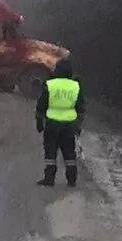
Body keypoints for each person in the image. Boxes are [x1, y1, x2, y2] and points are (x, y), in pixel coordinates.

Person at [35, 56, 84, 187]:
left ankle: (49, 179)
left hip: (52, 124)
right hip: (69, 125)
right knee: (69, 153)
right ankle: (72, 179)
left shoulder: (51, 84)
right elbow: (81, 107)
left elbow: (42, 104)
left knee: (50, 152)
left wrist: (39, 120)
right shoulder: (75, 86)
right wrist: (78, 125)